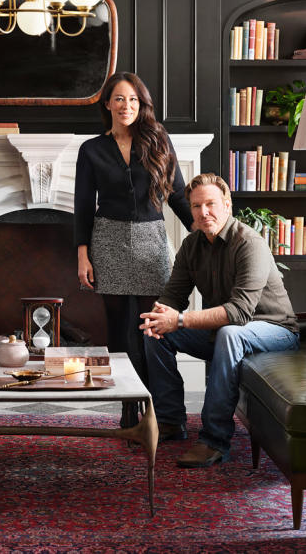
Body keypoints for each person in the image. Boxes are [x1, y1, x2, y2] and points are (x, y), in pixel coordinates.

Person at [139, 173, 299, 467]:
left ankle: (214, 440)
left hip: (275, 330)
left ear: (227, 204)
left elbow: (239, 313)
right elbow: (174, 296)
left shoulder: (250, 244)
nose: (203, 212)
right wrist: (158, 315)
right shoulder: (192, 245)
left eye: (211, 204)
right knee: (156, 331)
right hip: (227, 331)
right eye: (196, 206)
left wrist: (181, 320)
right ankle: (170, 421)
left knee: (229, 333)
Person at [74, 72, 195, 426]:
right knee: (118, 333)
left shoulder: (159, 141)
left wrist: (204, 233)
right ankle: (130, 412)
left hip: (151, 244)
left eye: (133, 100)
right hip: (107, 243)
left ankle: (163, 413)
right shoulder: (91, 149)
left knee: (152, 330)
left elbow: (177, 195)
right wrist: (83, 255)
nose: (126, 106)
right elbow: (83, 205)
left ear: (142, 105)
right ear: (107, 104)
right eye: (119, 99)